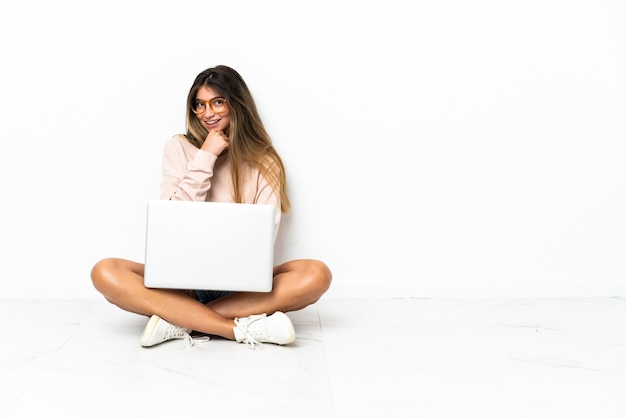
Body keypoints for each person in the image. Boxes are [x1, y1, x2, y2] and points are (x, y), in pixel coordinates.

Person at [90, 65, 332, 348]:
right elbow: (172, 217)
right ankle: (236, 329)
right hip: (182, 284)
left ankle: (178, 320)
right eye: (200, 105)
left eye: (218, 102)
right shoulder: (178, 148)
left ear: (237, 105)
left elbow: (262, 238)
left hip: (244, 287)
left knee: (317, 274)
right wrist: (206, 155)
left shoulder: (265, 161)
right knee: (105, 271)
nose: (208, 113)